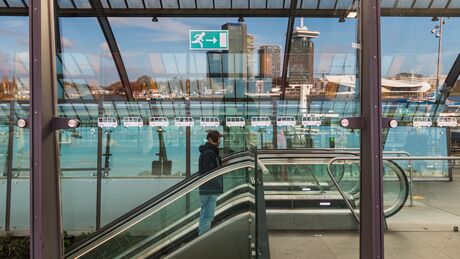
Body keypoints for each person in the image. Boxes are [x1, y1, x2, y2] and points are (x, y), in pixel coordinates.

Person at [198, 130, 223, 235]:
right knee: (208, 215)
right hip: (209, 190)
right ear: (211, 139)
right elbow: (210, 172)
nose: (220, 140)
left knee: (205, 214)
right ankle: (203, 237)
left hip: (208, 189)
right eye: (218, 138)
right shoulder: (209, 153)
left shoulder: (211, 151)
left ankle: (202, 235)